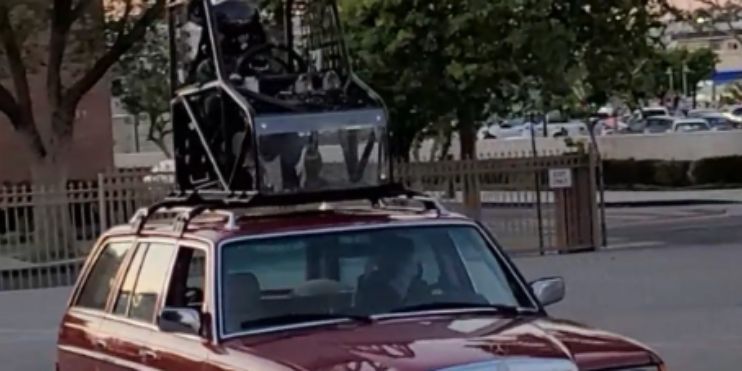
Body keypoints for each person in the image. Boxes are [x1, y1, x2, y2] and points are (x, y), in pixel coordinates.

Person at [355, 235, 431, 314]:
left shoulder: (420, 287)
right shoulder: (371, 285)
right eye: (393, 257)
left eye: (405, 259)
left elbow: (428, 311)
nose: (400, 264)